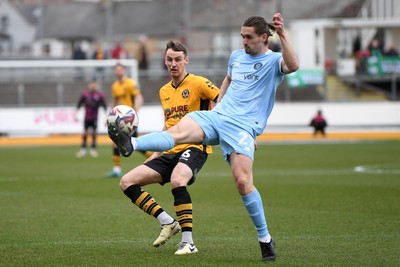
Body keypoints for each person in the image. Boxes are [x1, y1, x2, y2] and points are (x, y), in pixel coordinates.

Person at [108, 13, 298, 262]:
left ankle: (264, 238)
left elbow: (293, 66)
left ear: (264, 37)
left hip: (242, 127)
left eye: (249, 37)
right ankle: (132, 143)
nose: (244, 42)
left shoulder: (274, 61)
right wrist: (219, 105)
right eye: (242, 36)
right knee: (177, 133)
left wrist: (283, 35)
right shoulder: (236, 57)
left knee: (242, 182)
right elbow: (228, 79)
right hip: (219, 117)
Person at [118, 40, 220, 255]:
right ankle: (167, 222)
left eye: (178, 60)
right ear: (165, 61)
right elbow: (168, 124)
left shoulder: (200, 83)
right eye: (169, 60)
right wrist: (155, 153)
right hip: (170, 150)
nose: (173, 64)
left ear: (186, 61)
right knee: (126, 182)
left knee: (177, 180)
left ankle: (188, 242)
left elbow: (224, 102)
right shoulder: (164, 91)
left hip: (195, 146)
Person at [105, 63, 144, 177]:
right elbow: (114, 101)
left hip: (129, 121)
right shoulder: (115, 86)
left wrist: (135, 112)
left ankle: (153, 157)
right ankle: (116, 169)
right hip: (118, 119)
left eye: (120, 69)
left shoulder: (131, 83)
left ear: (124, 71)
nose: (118, 72)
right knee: (115, 143)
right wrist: (109, 116)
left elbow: (138, 97)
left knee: (135, 144)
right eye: (116, 70)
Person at [76, 80, 107, 158]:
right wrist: (76, 114)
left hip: (95, 117)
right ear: (89, 85)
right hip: (87, 117)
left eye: (94, 85)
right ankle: (83, 149)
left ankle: (93, 149)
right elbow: (79, 104)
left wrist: (106, 116)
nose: (93, 86)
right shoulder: (84, 94)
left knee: (94, 133)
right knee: (85, 132)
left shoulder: (99, 95)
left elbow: (104, 106)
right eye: (91, 85)